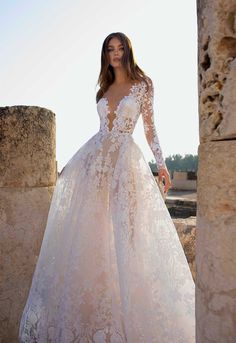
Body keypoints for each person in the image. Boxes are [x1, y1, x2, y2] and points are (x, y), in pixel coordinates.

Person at [19, 32, 195, 342]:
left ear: (128, 50)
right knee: (95, 234)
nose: (115, 53)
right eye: (110, 49)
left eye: (120, 47)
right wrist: (73, 168)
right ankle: (98, 317)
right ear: (106, 54)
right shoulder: (103, 90)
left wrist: (162, 164)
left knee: (128, 236)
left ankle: (132, 315)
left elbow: (150, 129)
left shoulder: (143, 85)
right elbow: (101, 132)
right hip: (95, 164)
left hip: (125, 166)